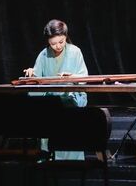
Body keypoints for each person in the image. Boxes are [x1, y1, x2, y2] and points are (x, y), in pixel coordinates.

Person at [23, 19, 89, 160]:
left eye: (61, 42)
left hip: (71, 99)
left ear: (66, 37)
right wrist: (32, 74)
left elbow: (84, 77)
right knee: (46, 111)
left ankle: (71, 161)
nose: (58, 46)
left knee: (67, 115)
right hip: (51, 102)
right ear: (48, 41)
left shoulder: (75, 52)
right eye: (53, 43)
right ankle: (48, 157)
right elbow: (36, 80)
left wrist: (72, 77)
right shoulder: (44, 55)